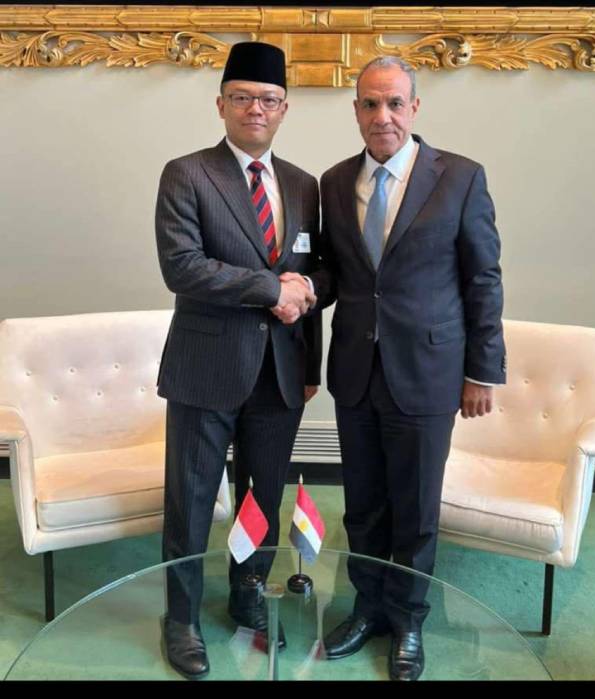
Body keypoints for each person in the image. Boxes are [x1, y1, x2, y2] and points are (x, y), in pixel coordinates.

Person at [309, 56, 506, 681]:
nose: (383, 116)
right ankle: (367, 607)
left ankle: (409, 618)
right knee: (363, 504)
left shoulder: (460, 177)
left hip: (428, 370)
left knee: (416, 509)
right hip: (356, 370)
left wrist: (483, 371)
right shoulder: (334, 182)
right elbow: (335, 273)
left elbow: (483, 278)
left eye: (394, 103)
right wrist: (298, 288)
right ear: (356, 111)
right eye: (370, 104)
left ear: (414, 108)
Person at [154, 41, 321, 680]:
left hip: (280, 371)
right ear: (220, 104)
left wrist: (310, 361)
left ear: (285, 108)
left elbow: (317, 275)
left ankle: (248, 591)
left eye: (269, 99)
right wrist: (272, 288)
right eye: (243, 97)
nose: (257, 109)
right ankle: (181, 617)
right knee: (191, 501)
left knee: (263, 495)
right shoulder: (186, 173)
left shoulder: (303, 184)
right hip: (206, 367)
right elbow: (183, 267)